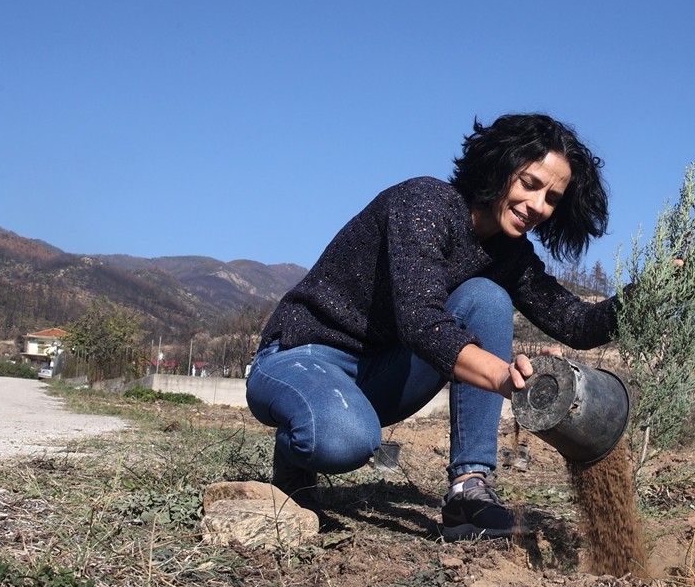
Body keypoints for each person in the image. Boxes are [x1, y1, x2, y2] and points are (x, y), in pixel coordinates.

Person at [245, 113, 621, 541]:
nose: (538, 206)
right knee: (343, 440)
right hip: (301, 356)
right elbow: (421, 321)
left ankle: (469, 490)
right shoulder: (425, 203)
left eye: (553, 198)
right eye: (529, 183)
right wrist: (505, 377)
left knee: (485, 297)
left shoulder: (508, 251)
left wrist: (651, 298)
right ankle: (296, 455)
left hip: (378, 375)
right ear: (498, 167)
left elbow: (575, 322)